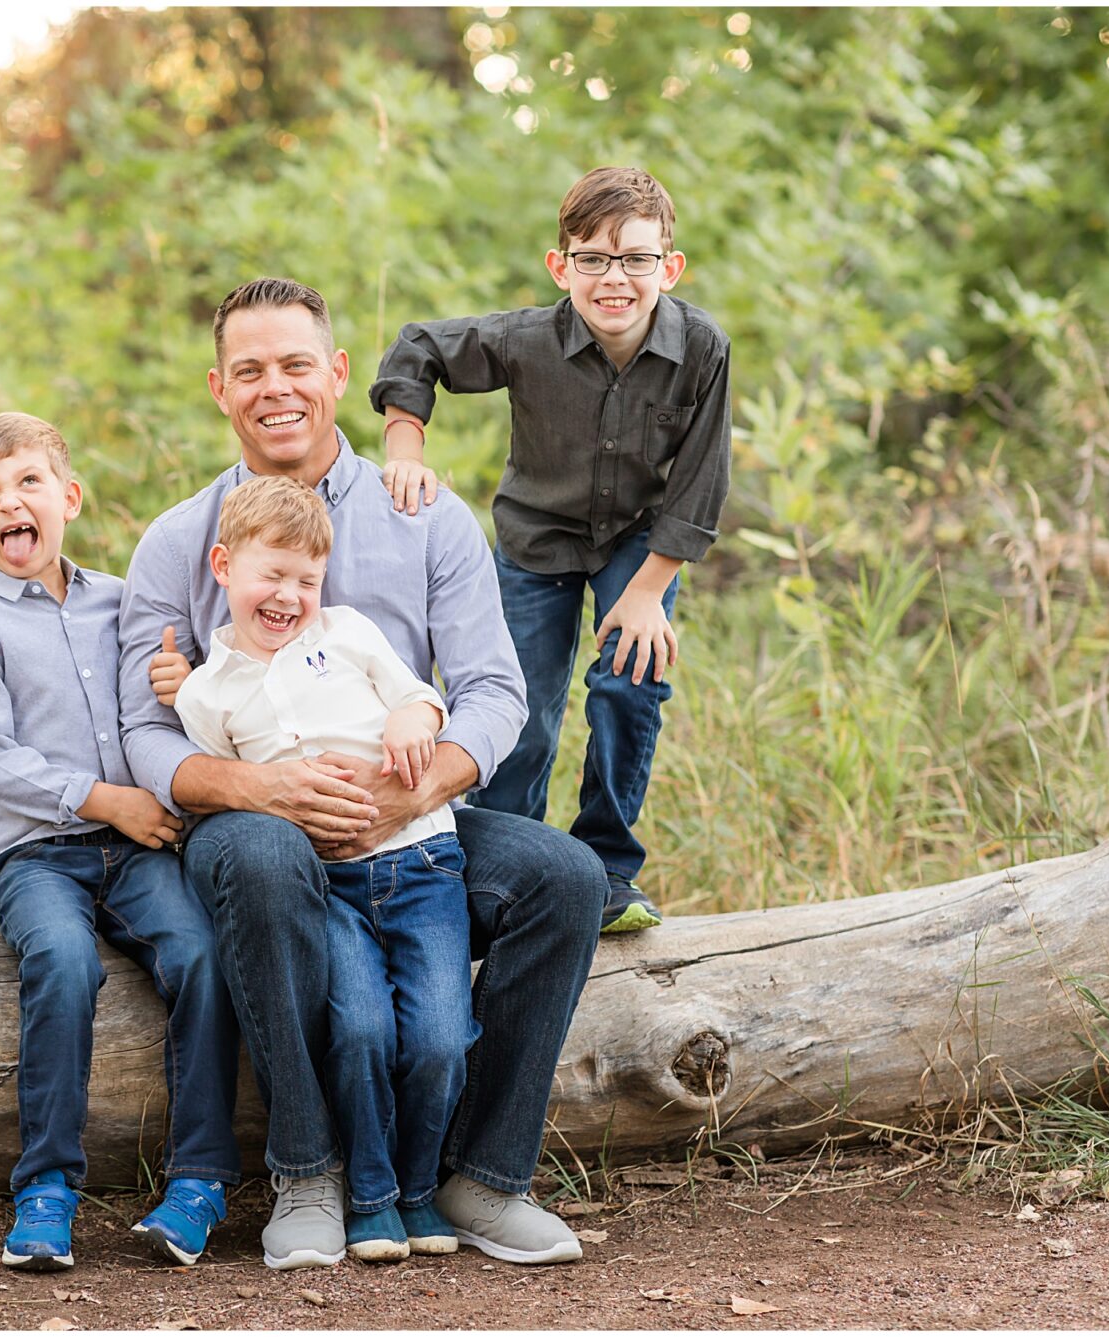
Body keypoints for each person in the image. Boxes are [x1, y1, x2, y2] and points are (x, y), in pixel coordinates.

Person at [117, 277, 604, 1270]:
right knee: (257, 853)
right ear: (218, 388)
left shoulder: (424, 516)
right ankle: (308, 1169)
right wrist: (260, 791)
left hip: (409, 828)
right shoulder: (179, 541)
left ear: (336, 373)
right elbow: (141, 734)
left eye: (295, 364)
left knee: (564, 878)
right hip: (257, 825)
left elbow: (490, 691)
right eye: (248, 370)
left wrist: (416, 789)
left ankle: (478, 1175)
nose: (274, 388)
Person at [369, 166, 733, 934]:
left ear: (668, 267)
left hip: (641, 538)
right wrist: (405, 445)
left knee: (631, 685)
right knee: (519, 711)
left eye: (636, 259)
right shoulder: (528, 340)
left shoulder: (702, 349)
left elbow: (702, 477)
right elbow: (418, 348)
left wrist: (645, 593)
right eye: (592, 258)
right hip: (538, 536)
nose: (614, 278)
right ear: (559, 265)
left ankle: (606, 870)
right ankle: (508, 870)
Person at [0, 411, 241, 1272]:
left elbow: (189, 697)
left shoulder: (122, 602)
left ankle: (202, 1177)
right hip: (33, 854)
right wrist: (104, 799)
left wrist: (189, 684)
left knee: (201, 951)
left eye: (27, 482)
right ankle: (46, 1187)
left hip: (139, 850)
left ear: (68, 497)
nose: (8, 503)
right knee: (65, 961)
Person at [152, 475, 476, 1263]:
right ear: (223, 566)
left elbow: (421, 698)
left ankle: (419, 1187)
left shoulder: (350, 631)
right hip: (328, 885)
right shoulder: (203, 694)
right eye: (273, 575)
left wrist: (412, 714)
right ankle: (369, 1196)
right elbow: (229, 796)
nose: (290, 595)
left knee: (438, 1035)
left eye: (306, 579)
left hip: (421, 860)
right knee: (359, 1026)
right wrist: (176, 685)